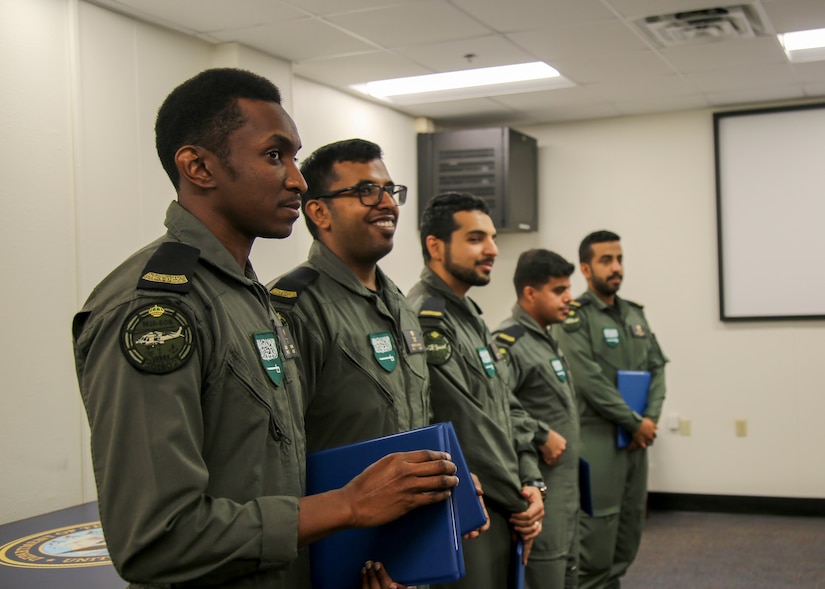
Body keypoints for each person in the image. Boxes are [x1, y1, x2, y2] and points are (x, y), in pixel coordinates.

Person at [71, 68, 457, 589]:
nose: (297, 179)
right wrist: (348, 505)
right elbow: (156, 538)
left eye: (295, 157)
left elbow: (277, 474)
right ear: (198, 167)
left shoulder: (249, 298)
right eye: (275, 156)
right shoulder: (156, 310)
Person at [407, 192, 545, 589]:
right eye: (476, 239)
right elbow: (469, 427)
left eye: (493, 238)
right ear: (435, 246)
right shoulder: (427, 318)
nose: (492, 250)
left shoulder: (471, 317)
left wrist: (532, 480)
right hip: (470, 507)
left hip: (506, 501)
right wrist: (521, 501)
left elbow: (509, 406)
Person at [266, 138, 429, 452]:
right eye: (366, 191)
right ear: (319, 212)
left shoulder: (398, 302)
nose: (388, 204)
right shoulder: (294, 308)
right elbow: (279, 442)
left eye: (391, 191)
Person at [554, 230, 668, 589]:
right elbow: (589, 381)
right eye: (606, 260)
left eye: (619, 259)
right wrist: (636, 423)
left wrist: (649, 421)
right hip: (599, 440)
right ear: (586, 269)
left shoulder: (635, 314)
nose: (616, 267)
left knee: (629, 530)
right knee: (596, 540)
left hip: (636, 443)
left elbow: (657, 368)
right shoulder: (576, 317)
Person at [493, 249, 581, 589]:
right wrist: (541, 434)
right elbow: (496, 406)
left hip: (564, 489)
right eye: (559, 290)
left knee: (566, 572)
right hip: (539, 489)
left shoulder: (545, 339)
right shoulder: (509, 342)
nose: (569, 298)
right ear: (530, 293)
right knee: (544, 574)